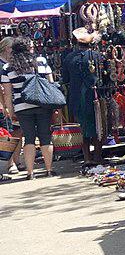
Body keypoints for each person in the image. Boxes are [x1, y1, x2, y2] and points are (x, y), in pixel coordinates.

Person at [1, 37, 56, 179]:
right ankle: (49, 170)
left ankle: (30, 173)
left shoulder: (8, 68)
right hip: (43, 105)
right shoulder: (41, 62)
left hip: (22, 107)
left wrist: (10, 111)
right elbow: (51, 84)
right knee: (45, 137)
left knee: (29, 139)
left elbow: (7, 94)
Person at [61, 28, 104, 165]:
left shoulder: (68, 58)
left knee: (82, 127)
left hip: (76, 96)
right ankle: (97, 156)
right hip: (95, 95)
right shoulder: (97, 56)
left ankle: (87, 158)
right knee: (98, 125)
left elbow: (65, 78)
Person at [0, 36, 22, 177]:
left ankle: (16, 160)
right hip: (4, 102)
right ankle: (10, 163)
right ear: (7, 49)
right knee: (8, 132)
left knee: (18, 131)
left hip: (15, 101)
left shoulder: (13, 63)